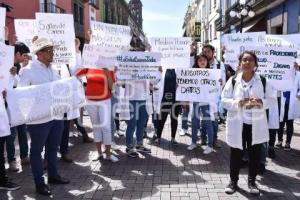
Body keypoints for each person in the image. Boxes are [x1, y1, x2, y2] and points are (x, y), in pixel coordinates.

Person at [18, 38, 70, 196]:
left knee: (53, 148)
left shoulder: (53, 70)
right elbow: (22, 94)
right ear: (39, 53)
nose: (52, 53)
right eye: (49, 50)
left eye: (52, 50)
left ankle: (53, 176)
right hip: (39, 120)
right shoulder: (28, 70)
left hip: (56, 116)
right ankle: (39, 183)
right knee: (36, 152)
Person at [221, 51, 276, 195]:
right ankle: (233, 182)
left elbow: (272, 99)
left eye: (250, 60)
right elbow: (224, 100)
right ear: (240, 64)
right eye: (244, 60)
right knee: (236, 154)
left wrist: (260, 102)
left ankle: (252, 182)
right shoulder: (233, 81)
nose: (247, 62)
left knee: (255, 155)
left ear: (255, 64)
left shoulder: (263, 81)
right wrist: (238, 103)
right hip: (238, 124)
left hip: (255, 125)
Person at [76, 67, 119, 163]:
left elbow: (112, 88)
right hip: (90, 101)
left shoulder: (109, 67)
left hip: (104, 101)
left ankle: (108, 154)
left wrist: (107, 74)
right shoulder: (88, 65)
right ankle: (99, 153)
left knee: (106, 127)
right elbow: (76, 75)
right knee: (96, 127)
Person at [5, 42, 31, 172]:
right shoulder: (4, 63)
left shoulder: (20, 67)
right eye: (24, 55)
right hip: (7, 105)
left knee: (22, 130)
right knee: (11, 134)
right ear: (17, 54)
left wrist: (15, 75)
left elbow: (19, 84)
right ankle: (11, 160)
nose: (26, 57)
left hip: (20, 103)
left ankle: (24, 156)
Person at [186, 54, 215, 154]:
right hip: (196, 101)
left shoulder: (212, 73)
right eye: (200, 60)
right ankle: (194, 142)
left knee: (208, 123)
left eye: (204, 60)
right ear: (197, 62)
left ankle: (210, 145)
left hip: (206, 101)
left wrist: (218, 81)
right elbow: (187, 85)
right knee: (195, 122)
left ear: (207, 62)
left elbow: (215, 87)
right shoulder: (192, 73)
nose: (202, 62)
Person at [202, 44, 226, 148]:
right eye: (205, 52)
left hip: (215, 97)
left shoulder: (220, 65)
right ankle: (203, 138)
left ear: (213, 52)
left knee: (215, 119)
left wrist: (221, 81)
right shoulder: (201, 63)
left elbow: (224, 81)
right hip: (203, 96)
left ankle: (214, 139)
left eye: (208, 51)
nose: (206, 54)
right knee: (204, 118)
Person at [152, 69, 180, 145]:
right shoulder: (163, 69)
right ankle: (158, 137)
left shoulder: (179, 69)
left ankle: (173, 138)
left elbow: (184, 83)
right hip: (165, 98)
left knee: (174, 119)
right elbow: (156, 82)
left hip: (176, 99)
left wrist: (180, 85)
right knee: (161, 119)